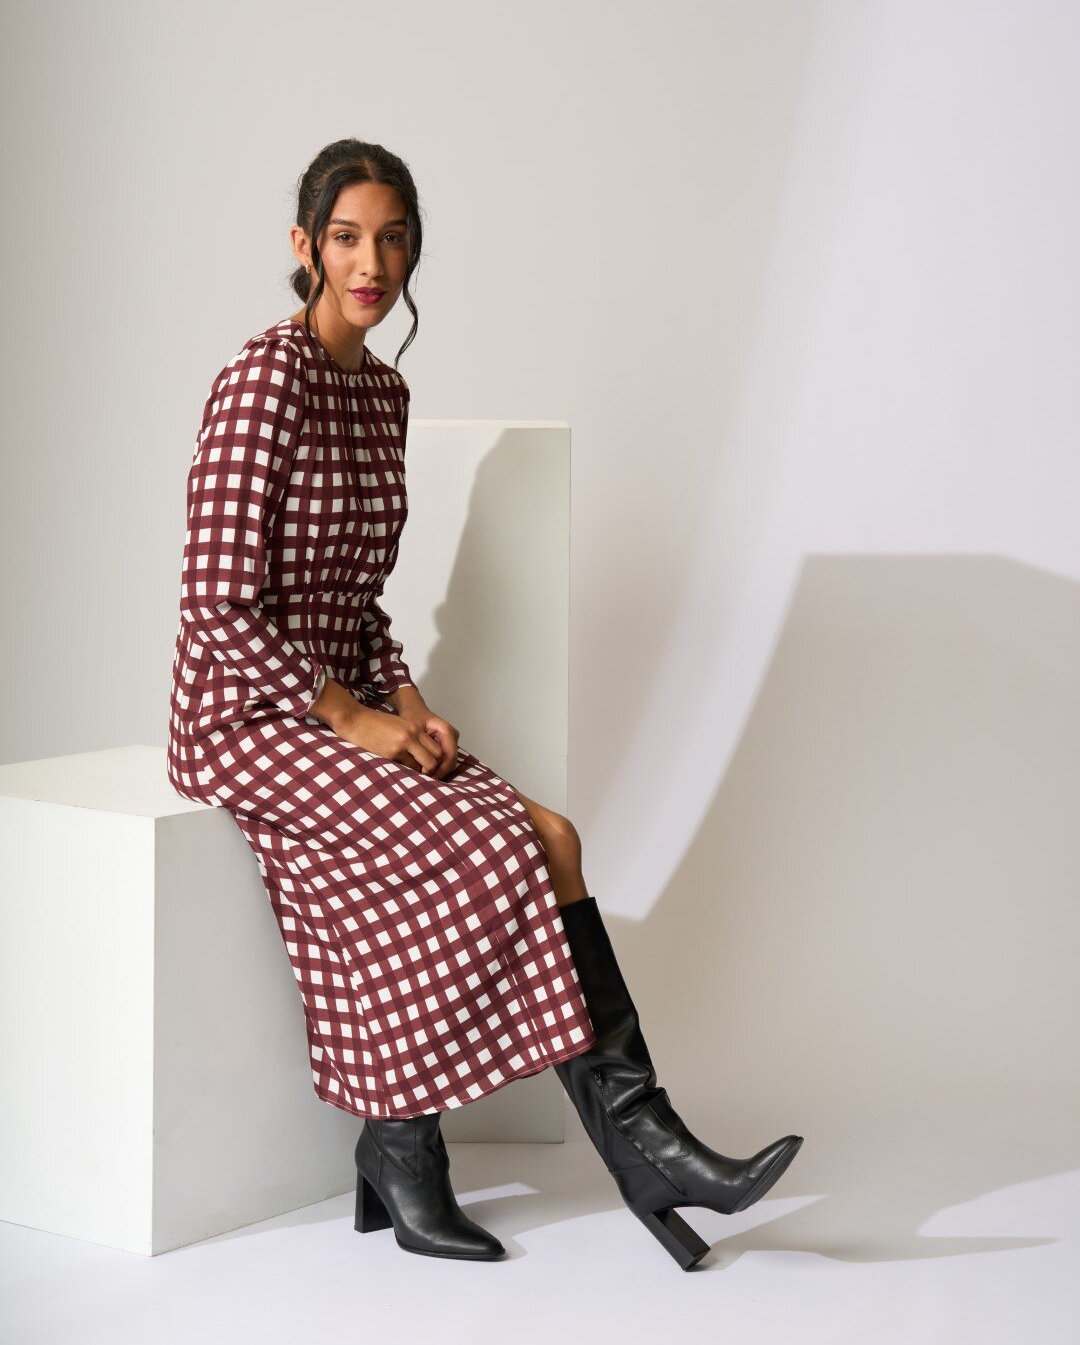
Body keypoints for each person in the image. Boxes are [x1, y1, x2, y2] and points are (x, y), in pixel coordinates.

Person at [166, 137, 804, 1271]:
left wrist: (407, 701)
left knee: (552, 835)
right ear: (305, 245)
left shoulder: (385, 395)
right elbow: (216, 605)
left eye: (393, 239)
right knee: (488, 848)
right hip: (243, 718)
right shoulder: (264, 379)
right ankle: (414, 1147)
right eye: (348, 238)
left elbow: (358, 600)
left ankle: (641, 1141)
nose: (372, 264)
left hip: (341, 699)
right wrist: (351, 719)